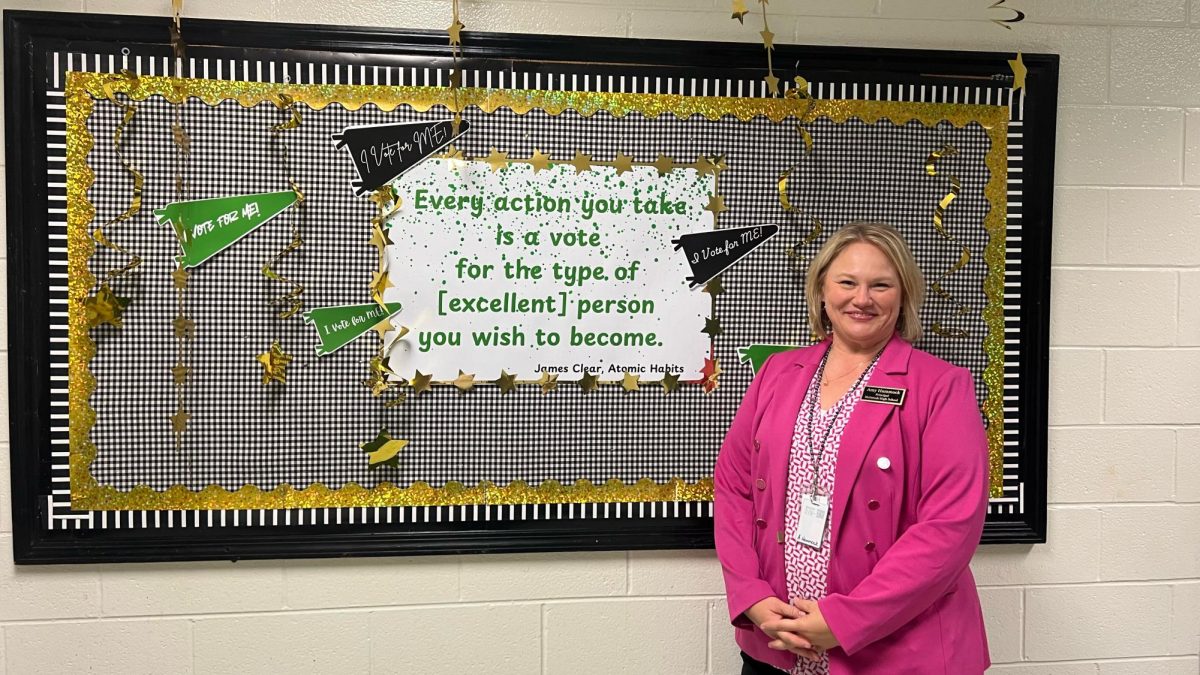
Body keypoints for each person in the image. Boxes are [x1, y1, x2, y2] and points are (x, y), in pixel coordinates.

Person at [714, 222, 990, 675]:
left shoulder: (940, 387)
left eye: (880, 285)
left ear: (902, 296)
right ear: (822, 289)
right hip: (776, 645)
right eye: (847, 282)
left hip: (897, 656)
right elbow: (734, 490)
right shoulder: (776, 374)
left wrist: (844, 621)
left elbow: (949, 526)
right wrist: (754, 599)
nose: (862, 299)